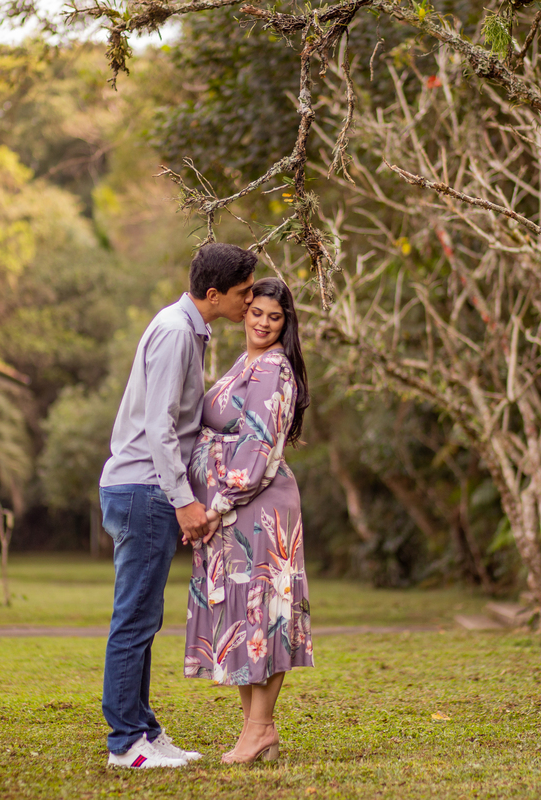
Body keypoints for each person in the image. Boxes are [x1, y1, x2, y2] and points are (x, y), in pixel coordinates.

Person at [98, 243, 257, 769]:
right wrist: (185, 502)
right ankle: (125, 744)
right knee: (134, 619)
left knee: (145, 616)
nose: (250, 301)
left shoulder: (189, 329)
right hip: (146, 489)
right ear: (213, 294)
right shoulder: (174, 333)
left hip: (147, 490)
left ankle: (142, 728)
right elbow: (160, 429)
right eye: (244, 293)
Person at [183, 276, 313, 764]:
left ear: (286, 323)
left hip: (256, 509)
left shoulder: (274, 369)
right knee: (244, 616)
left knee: (266, 615)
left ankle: (258, 730)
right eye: (256, 312)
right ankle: (257, 732)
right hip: (236, 510)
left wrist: (213, 508)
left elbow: (257, 452)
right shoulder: (246, 362)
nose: (261, 322)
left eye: (273, 317)